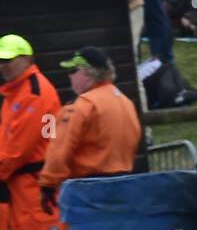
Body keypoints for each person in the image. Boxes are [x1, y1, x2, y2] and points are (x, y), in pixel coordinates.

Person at [0, 34, 75, 230]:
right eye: (1, 61)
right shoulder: (15, 93)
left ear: (27, 59)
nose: (4, 66)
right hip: (18, 190)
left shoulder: (35, 93)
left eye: (9, 60)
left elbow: (14, 152)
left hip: (35, 189)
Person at [39, 46, 142, 196]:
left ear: (88, 73)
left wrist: (47, 184)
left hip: (88, 190)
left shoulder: (82, 105)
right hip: (124, 186)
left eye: (73, 71)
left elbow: (59, 149)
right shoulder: (125, 102)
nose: (70, 76)